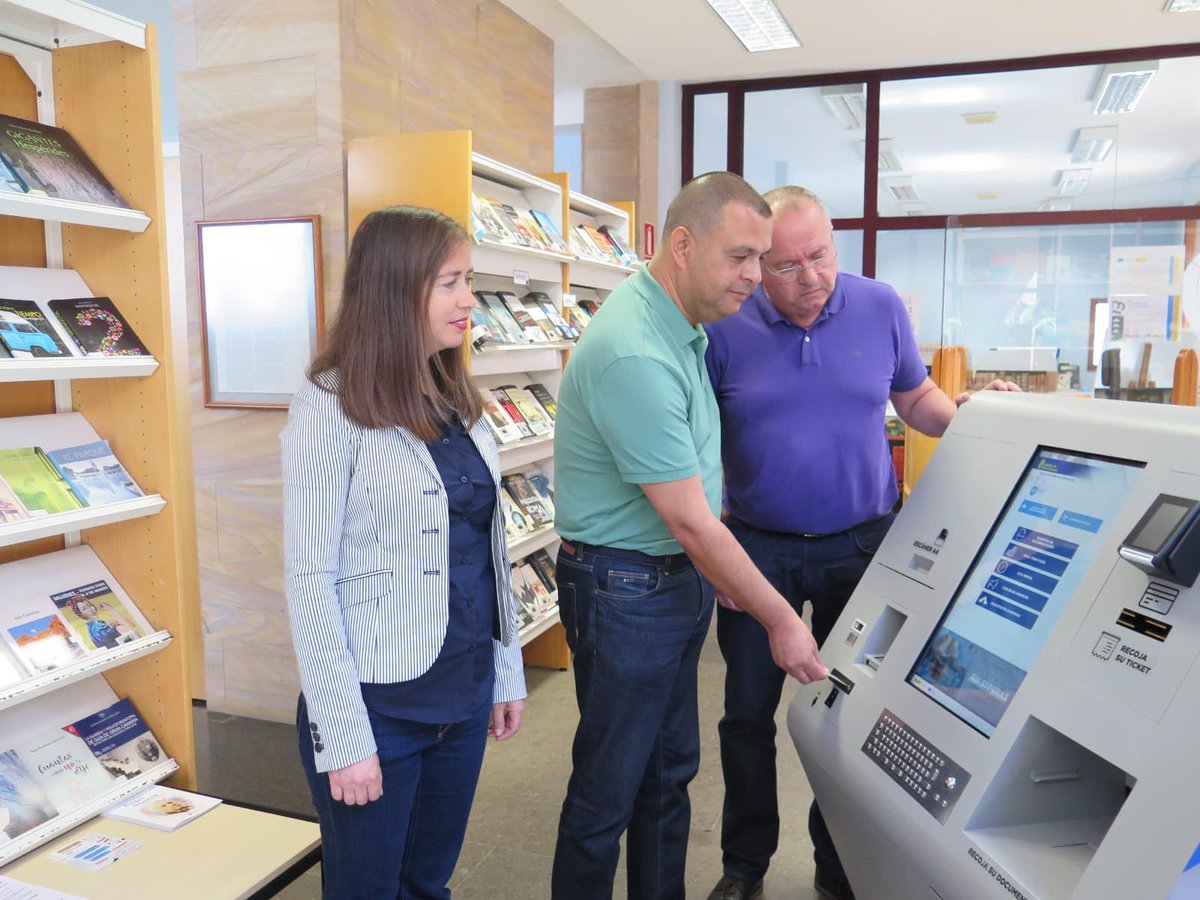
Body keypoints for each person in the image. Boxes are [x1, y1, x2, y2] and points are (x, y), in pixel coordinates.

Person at [703, 186, 1019, 900]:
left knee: (854, 707)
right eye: (786, 265)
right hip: (758, 549)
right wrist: (711, 546)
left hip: (867, 547)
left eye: (821, 256)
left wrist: (969, 412)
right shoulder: (724, 324)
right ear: (758, 263)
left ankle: (839, 861)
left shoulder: (879, 307)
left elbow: (915, 400)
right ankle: (743, 867)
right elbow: (695, 445)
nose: (809, 277)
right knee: (746, 717)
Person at [551, 172, 829, 900]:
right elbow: (687, 518)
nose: (754, 277)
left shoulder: (683, 326)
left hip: (664, 583)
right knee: (608, 794)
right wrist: (777, 617)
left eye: (759, 257)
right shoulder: (635, 350)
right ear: (682, 244)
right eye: (740, 257)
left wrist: (722, 577)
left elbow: (696, 486)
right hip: (626, 592)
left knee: (667, 778)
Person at [281, 206, 527, 900]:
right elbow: (309, 578)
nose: (469, 300)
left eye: (468, 279)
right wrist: (344, 735)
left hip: (464, 693)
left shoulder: (454, 395)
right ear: (396, 289)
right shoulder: (329, 405)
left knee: (428, 884)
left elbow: (485, 552)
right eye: (451, 282)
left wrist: (505, 669)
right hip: (377, 707)